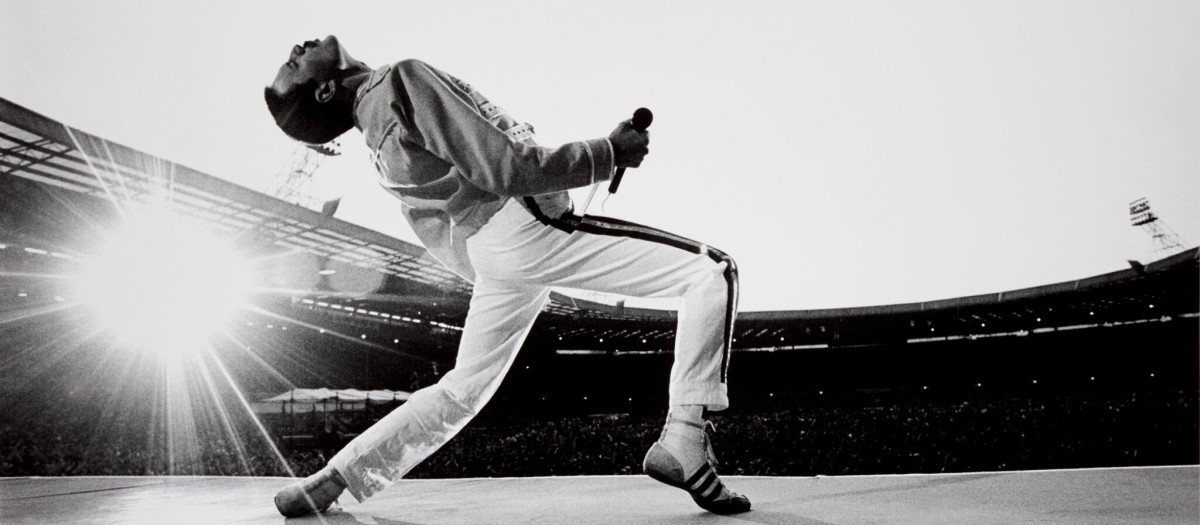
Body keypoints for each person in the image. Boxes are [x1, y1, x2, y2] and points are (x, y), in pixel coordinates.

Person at [264, 35, 750, 516]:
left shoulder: (376, 138)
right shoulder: (400, 79)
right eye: (295, 61)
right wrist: (608, 152)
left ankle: (333, 477)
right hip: (523, 226)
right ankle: (686, 437)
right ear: (325, 91)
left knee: (459, 391)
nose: (299, 46)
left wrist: (499, 255)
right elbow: (506, 167)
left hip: (493, 252)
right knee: (712, 272)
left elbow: (445, 217)